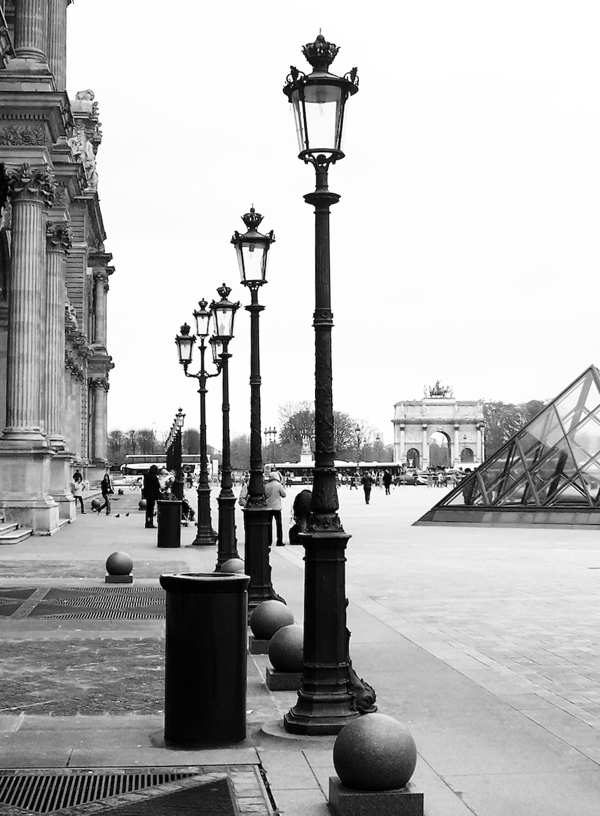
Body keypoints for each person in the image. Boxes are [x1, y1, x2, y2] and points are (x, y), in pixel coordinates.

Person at [265, 470, 286, 546]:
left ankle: (269, 540)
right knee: (279, 525)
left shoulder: (267, 486)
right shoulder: (278, 485)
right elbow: (284, 495)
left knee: (269, 525)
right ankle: (279, 540)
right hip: (277, 507)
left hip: (268, 507)